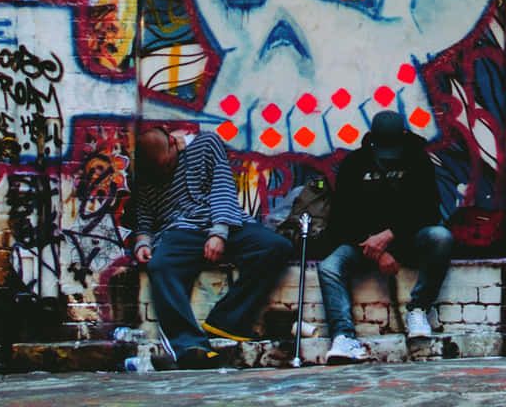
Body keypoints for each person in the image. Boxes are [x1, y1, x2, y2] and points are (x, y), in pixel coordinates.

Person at [130, 125, 293, 368]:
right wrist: (143, 241)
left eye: (167, 164)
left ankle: (226, 321)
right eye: (159, 169)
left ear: (174, 143)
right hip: (180, 232)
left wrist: (219, 233)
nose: (164, 171)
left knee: (276, 247)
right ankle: (188, 344)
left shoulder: (206, 144)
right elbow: (144, 213)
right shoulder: (148, 168)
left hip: (224, 224)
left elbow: (223, 188)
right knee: (160, 265)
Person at [315, 110, 453, 364]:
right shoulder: (354, 163)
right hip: (364, 244)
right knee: (329, 267)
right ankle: (343, 337)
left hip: (408, 240)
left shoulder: (418, 160)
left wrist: (391, 236)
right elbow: (343, 218)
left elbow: (428, 210)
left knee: (441, 237)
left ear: (404, 136)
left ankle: (419, 309)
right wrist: (377, 248)